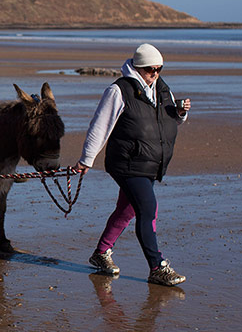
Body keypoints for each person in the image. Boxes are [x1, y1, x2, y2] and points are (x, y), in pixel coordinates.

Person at [75, 43, 190, 287]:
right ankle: (157, 267)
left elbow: (166, 122)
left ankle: (101, 253)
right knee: (148, 209)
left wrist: (179, 113)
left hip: (150, 163)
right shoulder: (119, 90)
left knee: (127, 209)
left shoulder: (162, 88)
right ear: (138, 68)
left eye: (159, 68)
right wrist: (87, 159)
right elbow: (100, 126)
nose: (156, 73)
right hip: (126, 162)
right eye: (151, 69)